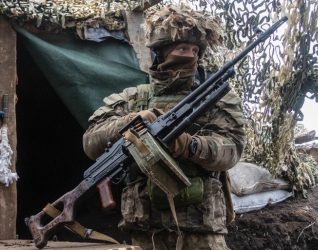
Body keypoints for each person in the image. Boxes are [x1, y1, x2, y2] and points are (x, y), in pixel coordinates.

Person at [83, 4, 246, 250]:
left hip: (202, 232)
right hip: (146, 232)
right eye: (181, 48)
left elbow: (232, 149)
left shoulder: (216, 98)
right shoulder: (131, 99)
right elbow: (91, 142)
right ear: (160, 52)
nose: (189, 56)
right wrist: (133, 121)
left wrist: (190, 145)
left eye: (194, 50)